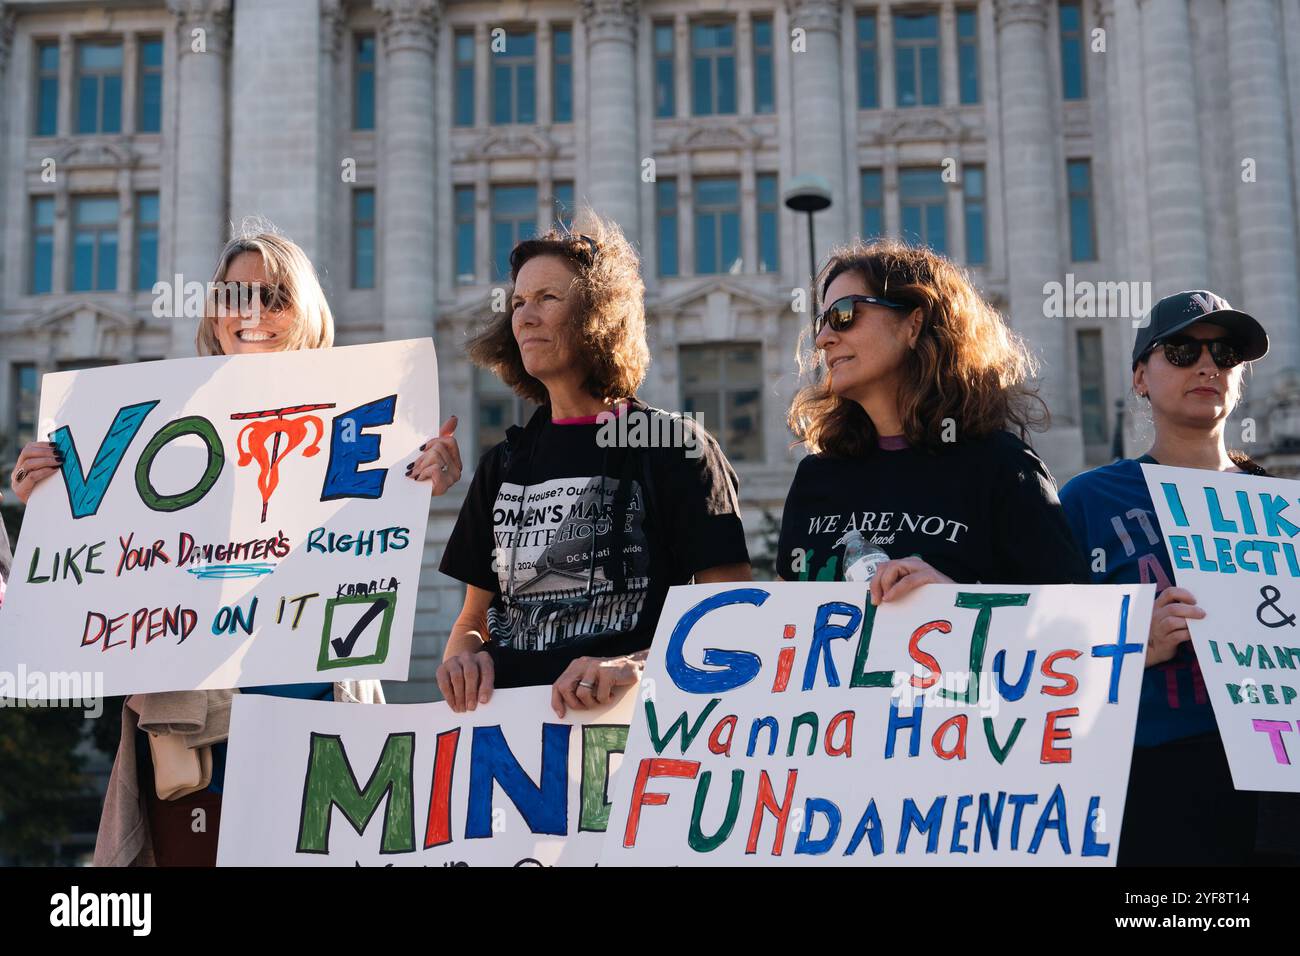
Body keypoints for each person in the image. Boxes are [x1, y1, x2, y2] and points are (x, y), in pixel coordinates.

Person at [9, 226, 462, 865]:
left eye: (274, 297)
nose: (251, 314)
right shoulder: (154, 424)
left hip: (324, 738)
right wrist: (52, 503)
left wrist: (434, 473)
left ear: (305, 312)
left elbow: (383, 531)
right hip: (198, 752)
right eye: (234, 297)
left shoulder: (364, 419)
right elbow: (107, 580)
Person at [436, 212, 752, 719]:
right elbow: (473, 620)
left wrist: (635, 666)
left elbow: (730, 619)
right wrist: (462, 662)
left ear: (600, 313)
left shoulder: (676, 447)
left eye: (547, 298)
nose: (524, 316)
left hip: (633, 745)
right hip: (513, 744)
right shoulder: (502, 463)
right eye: (518, 302)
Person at [1058, 289, 1288, 866]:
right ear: (1140, 377)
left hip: (1278, 785)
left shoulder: (1281, 508)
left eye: (1226, 354)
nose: (1208, 365)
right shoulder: (1088, 500)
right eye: (1183, 350)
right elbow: (1043, 657)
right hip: (1154, 778)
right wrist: (1137, 645)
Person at [778, 239, 1089, 598]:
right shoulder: (815, 478)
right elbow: (788, 620)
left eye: (844, 314)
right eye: (822, 321)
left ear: (914, 323)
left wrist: (954, 599)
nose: (823, 338)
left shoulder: (1001, 467)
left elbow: (1070, 622)